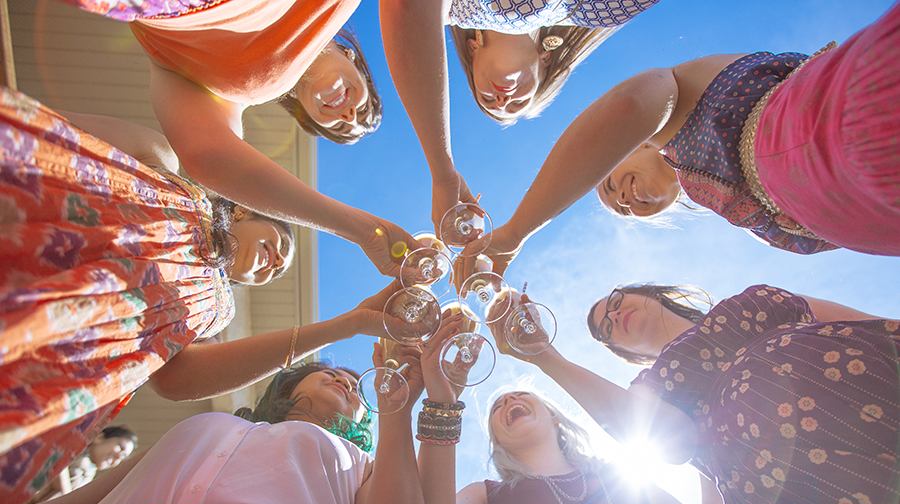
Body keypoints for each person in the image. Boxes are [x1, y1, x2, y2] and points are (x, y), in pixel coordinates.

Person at [0, 87, 404, 504]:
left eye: (275, 272)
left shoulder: (212, 312)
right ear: (248, 213)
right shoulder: (168, 168)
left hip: (46, 354)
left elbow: (173, 382)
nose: (275, 263)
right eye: (277, 245)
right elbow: (54, 131)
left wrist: (351, 322)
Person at [495, 285, 900, 504]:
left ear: (650, 293)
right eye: (606, 328)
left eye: (616, 301)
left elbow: (863, 324)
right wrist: (545, 355)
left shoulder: (752, 299)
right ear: (622, 352)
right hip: (814, 501)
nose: (615, 315)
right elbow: (673, 441)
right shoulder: (649, 390)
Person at [474, 2, 900, 276]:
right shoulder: (722, 198)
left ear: (631, 147)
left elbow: (629, 108)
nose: (622, 201)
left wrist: (515, 232)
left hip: (854, 120)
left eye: (606, 183)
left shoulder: (674, 107)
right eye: (625, 211)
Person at [0, 356, 427, 504]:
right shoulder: (202, 427)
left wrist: (396, 415)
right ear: (286, 386)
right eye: (329, 373)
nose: (343, 380)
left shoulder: (361, 463)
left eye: (356, 387)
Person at [58, 0, 417, 276]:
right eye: (364, 107)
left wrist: (364, 230)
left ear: (304, 113)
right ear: (354, 58)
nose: (349, 116)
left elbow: (209, 157)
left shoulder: (231, 95)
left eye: (338, 127)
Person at [413, 328, 748, 504]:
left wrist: (706, 443)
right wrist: (443, 406)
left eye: (520, 396)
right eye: (498, 407)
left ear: (555, 419)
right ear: (497, 443)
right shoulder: (487, 498)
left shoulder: (623, 478)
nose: (509, 400)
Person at [379, 0, 661, 230]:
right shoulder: (596, 10)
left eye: (488, 99)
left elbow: (406, 8)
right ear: (545, 60)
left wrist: (443, 174)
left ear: (472, 50)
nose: (502, 100)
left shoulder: (451, 10)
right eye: (517, 103)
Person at [28, 426, 138, 504]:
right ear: (99, 438)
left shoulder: (90, 475)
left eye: (123, 457)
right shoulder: (71, 451)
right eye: (120, 447)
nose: (118, 456)